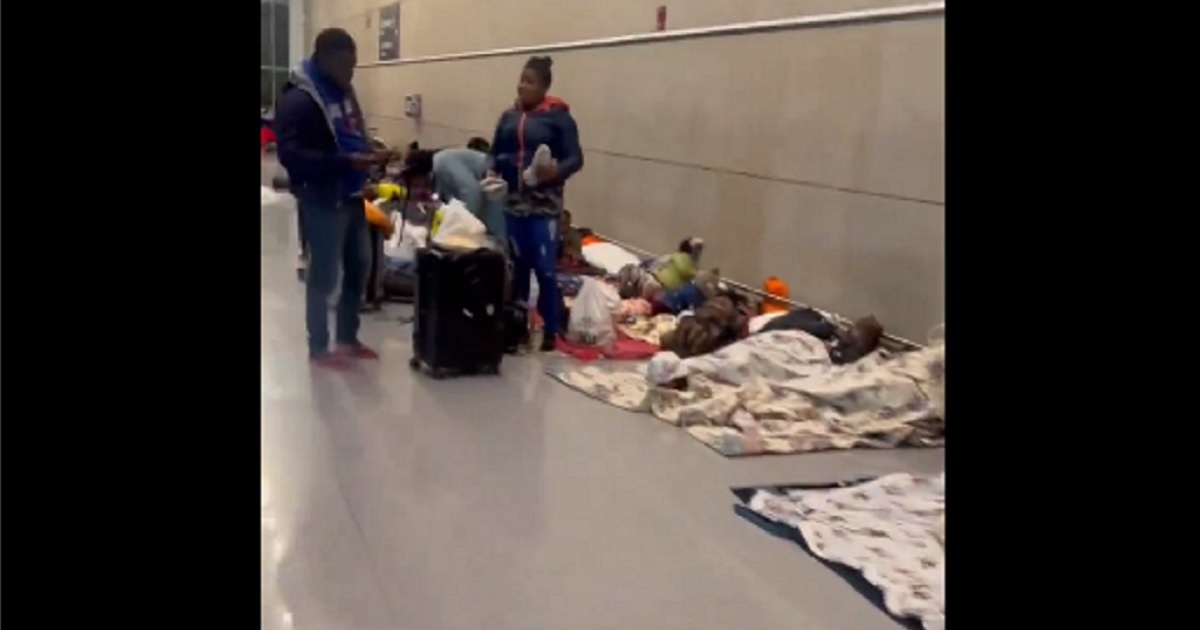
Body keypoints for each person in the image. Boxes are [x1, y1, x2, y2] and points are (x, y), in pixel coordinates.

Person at [275, 27, 383, 369]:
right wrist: (343, 162)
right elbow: (291, 156)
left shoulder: (343, 91)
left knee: (359, 266)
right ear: (324, 59)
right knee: (323, 274)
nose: (352, 72)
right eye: (346, 64)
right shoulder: (298, 100)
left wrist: (369, 157)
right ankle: (319, 347)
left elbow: (351, 133)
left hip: (351, 193)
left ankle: (347, 339)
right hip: (322, 197)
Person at [489, 55, 584, 351]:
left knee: (544, 269)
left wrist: (554, 171)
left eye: (529, 82)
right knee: (517, 267)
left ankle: (551, 331)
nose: (521, 87)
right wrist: (491, 172)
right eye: (521, 80)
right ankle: (518, 327)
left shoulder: (559, 119)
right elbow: (493, 152)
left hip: (544, 207)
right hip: (514, 203)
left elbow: (576, 159)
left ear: (543, 87)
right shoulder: (508, 117)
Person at [399, 146, 507, 245]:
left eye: (416, 184)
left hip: (496, 192)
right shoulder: (439, 181)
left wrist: (460, 222)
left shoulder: (441, 162)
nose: (419, 189)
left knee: (499, 240)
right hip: (489, 197)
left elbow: (471, 192)